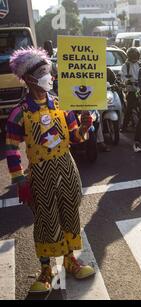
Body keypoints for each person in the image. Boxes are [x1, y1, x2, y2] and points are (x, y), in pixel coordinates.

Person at [5, 47, 95, 293]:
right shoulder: (19, 113)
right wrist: (20, 178)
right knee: (46, 220)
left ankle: (70, 260)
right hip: (41, 173)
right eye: (44, 73)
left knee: (69, 213)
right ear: (30, 79)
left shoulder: (63, 105)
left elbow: (76, 138)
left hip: (67, 167)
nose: (50, 76)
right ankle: (46, 269)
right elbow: (11, 149)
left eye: (50, 72)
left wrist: (85, 126)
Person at [120, 47, 141, 132]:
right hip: (131, 90)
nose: (135, 58)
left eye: (136, 56)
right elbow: (123, 77)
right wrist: (128, 81)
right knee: (129, 109)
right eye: (133, 56)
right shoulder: (126, 66)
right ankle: (124, 127)